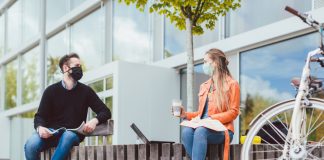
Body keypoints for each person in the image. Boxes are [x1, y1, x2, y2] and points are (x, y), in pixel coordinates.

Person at [24, 53, 111, 160]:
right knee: (31, 145)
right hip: (52, 134)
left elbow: (105, 111)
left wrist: (94, 121)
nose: (80, 69)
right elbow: (40, 116)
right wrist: (40, 128)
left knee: (68, 136)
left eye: (80, 66)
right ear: (66, 68)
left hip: (72, 135)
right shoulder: (51, 91)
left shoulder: (86, 91)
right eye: (77, 66)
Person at [174, 48, 240, 160]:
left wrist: (211, 119)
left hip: (223, 130)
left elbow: (233, 112)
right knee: (186, 132)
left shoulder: (232, 84)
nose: (203, 64)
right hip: (203, 126)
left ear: (215, 63)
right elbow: (200, 114)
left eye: (205, 61)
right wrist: (185, 114)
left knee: (200, 131)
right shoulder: (204, 86)